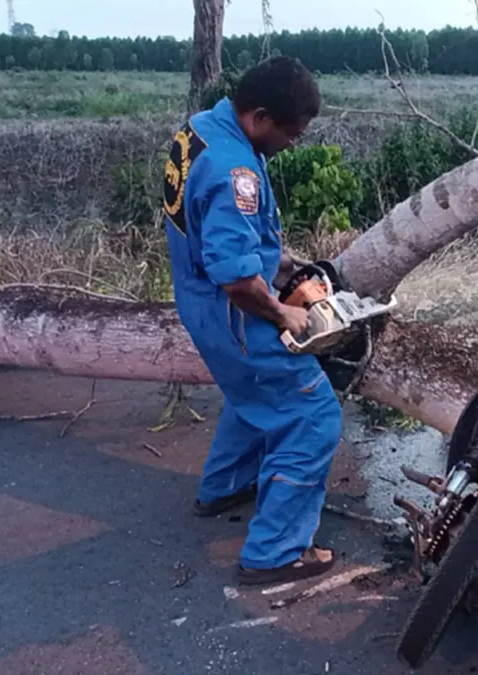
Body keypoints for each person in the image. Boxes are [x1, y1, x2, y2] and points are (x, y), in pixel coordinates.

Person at [160, 56, 343, 586]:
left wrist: (282, 263)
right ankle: (276, 551)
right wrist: (285, 309)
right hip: (232, 313)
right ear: (260, 116)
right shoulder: (235, 172)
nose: (292, 144)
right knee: (311, 415)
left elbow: (215, 228)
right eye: (290, 134)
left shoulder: (203, 129)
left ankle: (225, 486)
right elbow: (238, 282)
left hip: (200, 305)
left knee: (255, 396)